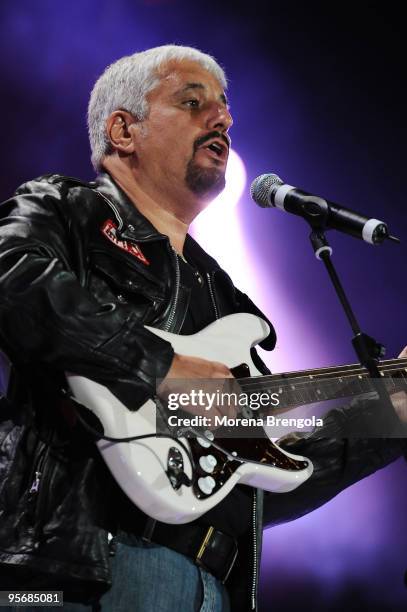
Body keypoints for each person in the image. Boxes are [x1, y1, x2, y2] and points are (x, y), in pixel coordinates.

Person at [0, 45, 406, 612]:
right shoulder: (66, 209)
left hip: (210, 588)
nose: (221, 119)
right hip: (75, 573)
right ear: (123, 130)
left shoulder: (222, 296)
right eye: (192, 103)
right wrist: (160, 366)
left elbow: (246, 482)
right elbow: (13, 281)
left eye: (224, 109)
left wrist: (389, 419)